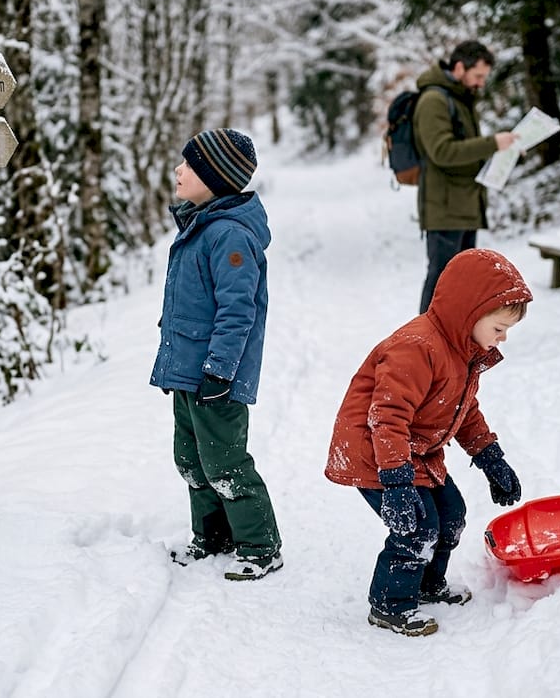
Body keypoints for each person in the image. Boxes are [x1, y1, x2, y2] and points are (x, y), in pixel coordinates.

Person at [324, 248, 531, 635]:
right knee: (418, 527)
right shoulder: (418, 347)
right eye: (499, 327)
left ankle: (427, 583)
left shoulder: (464, 350)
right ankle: (390, 604)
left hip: (415, 450)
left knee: (451, 515)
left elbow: (464, 411)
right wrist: (398, 484)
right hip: (376, 451)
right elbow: (386, 418)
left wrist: (491, 459)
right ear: (470, 312)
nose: (503, 338)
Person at [150, 128, 283, 581]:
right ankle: (212, 536)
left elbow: (237, 310)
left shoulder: (227, 235)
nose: (178, 170)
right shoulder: (199, 225)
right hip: (188, 372)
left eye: (188, 165)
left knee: (225, 462)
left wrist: (220, 369)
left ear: (214, 177)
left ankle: (261, 545)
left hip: (216, 377)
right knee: (190, 459)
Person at [414, 40, 519, 313]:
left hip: (465, 203)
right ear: (460, 67)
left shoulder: (461, 99)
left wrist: (504, 152)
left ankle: (450, 346)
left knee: (460, 283)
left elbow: (466, 152)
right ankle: (422, 347)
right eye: (478, 76)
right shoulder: (433, 100)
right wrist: (492, 144)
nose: (482, 83)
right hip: (444, 207)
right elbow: (442, 151)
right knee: (441, 282)